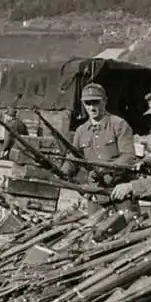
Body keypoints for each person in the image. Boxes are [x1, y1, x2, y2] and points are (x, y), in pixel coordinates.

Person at [61, 83, 138, 214]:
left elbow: (128, 157)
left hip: (120, 193)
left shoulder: (119, 125)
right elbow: (73, 160)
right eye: (87, 103)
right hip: (96, 196)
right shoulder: (81, 131)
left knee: (128, 229)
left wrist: (104, 169)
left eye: (95, 102)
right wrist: (61, 172)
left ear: (105, 101)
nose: (91, 107)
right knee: (94, 231)